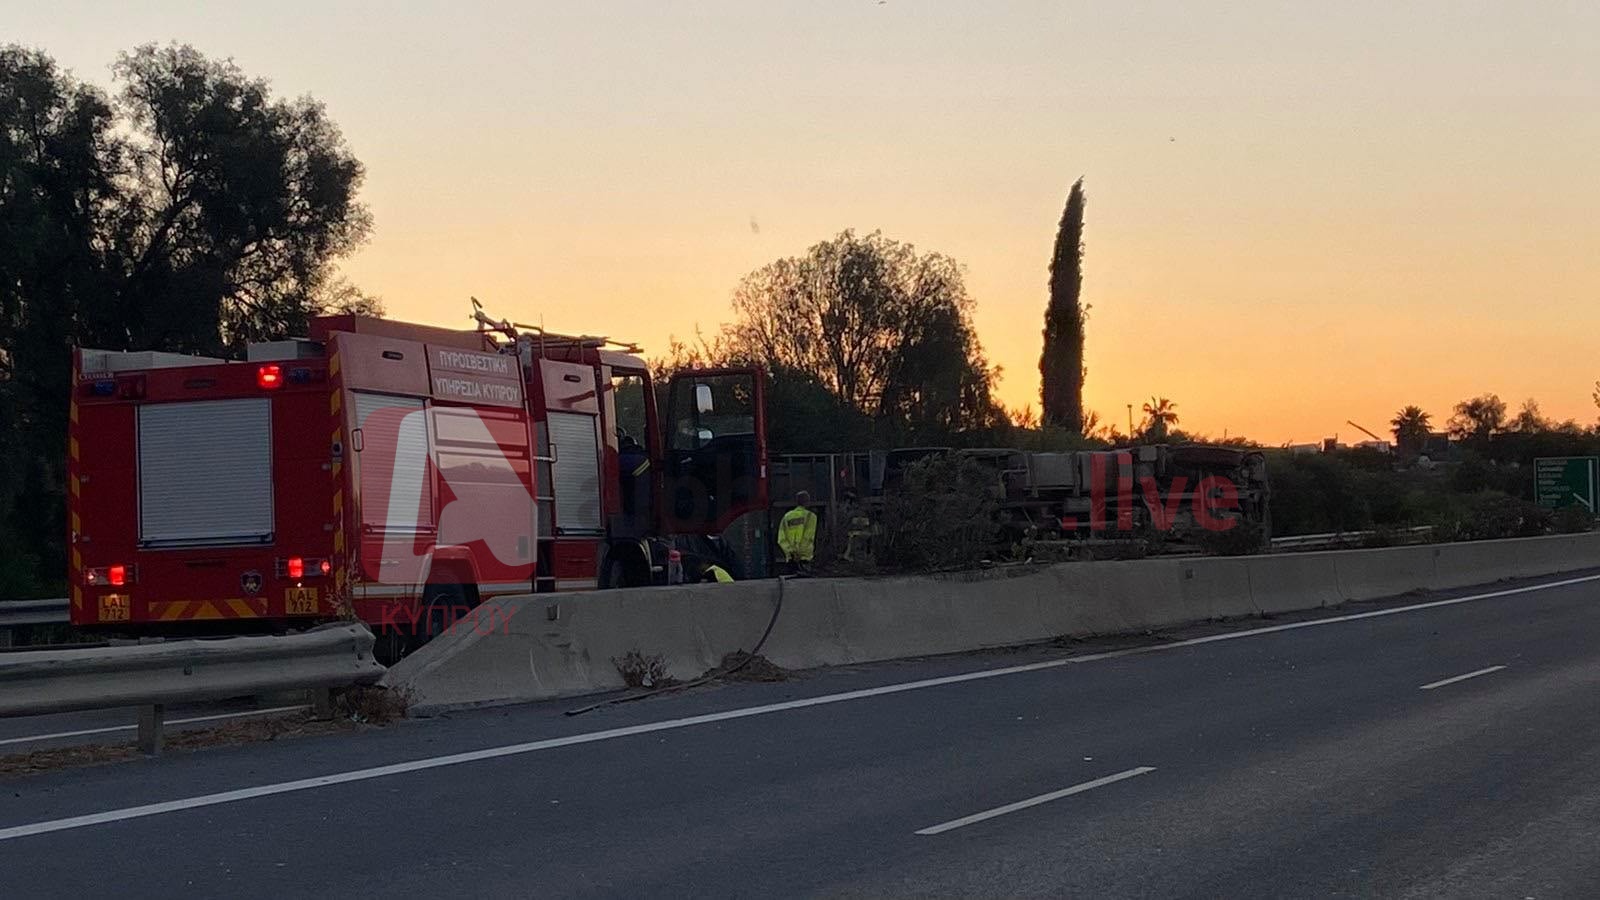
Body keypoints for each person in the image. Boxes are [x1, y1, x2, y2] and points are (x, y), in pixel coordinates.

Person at [776, 490, 818, 575]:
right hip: (804, 559)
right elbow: (808, 536)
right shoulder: (811, 516)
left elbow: (781, 539)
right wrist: (799, 553)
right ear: (808, 502)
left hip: (791, 559)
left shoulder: (787, 517)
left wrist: (791, 551)